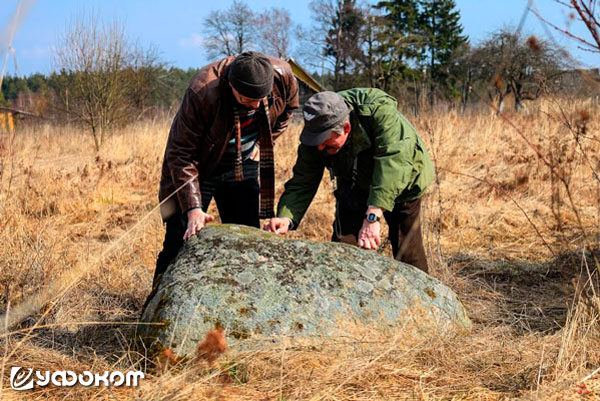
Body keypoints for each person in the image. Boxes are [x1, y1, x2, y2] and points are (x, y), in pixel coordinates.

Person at [154, 51, 299, 288]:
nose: (253, 106)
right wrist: (193, 208)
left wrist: (268, 140)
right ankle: (156, 306)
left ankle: (245, 301)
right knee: (178, 239)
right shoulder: (202, 91)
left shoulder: (283, 76)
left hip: (243, 164)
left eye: (259, 100)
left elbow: (288, 110)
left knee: (246, 239)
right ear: (231, 85)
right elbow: (180, 154)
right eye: (246, 100)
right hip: (199, 168)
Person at [263, 89, 433, 273]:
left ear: (346, 128)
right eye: (316, 141)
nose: (320, 147)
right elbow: (304, 179)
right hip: (352, 181)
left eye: (326, 142)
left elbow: (393, 161)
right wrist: (286, 217)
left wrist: (373, 214)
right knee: (342, 251)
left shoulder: (379, 113)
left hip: (402, 180)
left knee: (407, 252)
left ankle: (421, 300)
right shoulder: (317, 128)